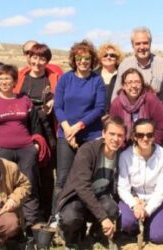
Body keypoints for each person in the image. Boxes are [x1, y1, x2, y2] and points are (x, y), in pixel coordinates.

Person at [0, 64, 46, 247]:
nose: (4, 82)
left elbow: (35, 124)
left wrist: (35, 144)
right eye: (0, 78)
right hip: (2, 151)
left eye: (8, 78)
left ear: (15, 81)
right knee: (4, 190)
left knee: (29, 188)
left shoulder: (24, 100)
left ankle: (31, 228)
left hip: (25, 150)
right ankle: (11, 230)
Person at [56, 117, 126, 248]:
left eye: (120, 135)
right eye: (112, 134)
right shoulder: (88, 151)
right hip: (76, 197)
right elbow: (82, 187)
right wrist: (103, 218)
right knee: (70, 218)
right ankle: (71, 238)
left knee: (112, 208)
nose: (116, 139)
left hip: (99, 197)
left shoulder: (121, 155)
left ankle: (96, 235)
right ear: (103, 134)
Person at [53, 40, 106, 208]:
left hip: (90, 136)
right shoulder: (65, 79)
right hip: (66, 134)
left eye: (87, 58)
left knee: (88, 178)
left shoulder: (97, 81)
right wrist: (68, 129)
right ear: (74, 60)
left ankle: (88, 216)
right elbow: (58, 106)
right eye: (79, 58)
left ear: (92, 60)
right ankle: (57, 215)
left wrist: (78, 127)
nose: (83, 62)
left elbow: (99, 108)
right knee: (63, 178)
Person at [14, 43, 60, 220]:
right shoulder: (20, 77)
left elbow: (61, 96)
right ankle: (27, 215)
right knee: (26, 173)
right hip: (24, 130)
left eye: (42, 58)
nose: (37, 62)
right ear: (29, 58)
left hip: (48, 131)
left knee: (47, 174)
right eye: (34, 57)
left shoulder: (54, 78)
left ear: (47, 61)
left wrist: (54, 102)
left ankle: (46, 213)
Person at [118, 119, 163, 244]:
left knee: (159, 237)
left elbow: (161, 189)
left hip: (158, 201)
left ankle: (150, 223)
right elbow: (123, 187)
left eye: (149, 134)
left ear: (154, 135)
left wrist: (147, 210)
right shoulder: (125, 156)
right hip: (134, 200)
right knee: (127, 224)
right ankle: (138, 225)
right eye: (140, 135)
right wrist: (135, 205)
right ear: (134, 136)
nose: (145, 138)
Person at [110, 68, 163, 146]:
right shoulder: (116, 104)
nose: (134, 86)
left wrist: (152, 146)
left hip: (149, 143)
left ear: (142, 84)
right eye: (129, 82)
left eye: (137, 82)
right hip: (124, 146)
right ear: (123, 86)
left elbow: (162, 125)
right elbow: (114, 128)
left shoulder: (151, 99)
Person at [111, 27, 163, 102]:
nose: (142, 47)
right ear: (132, 45)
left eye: (145, 43)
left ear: (150, 43)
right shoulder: (124, 65)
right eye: (138, 44)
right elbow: (116, 97)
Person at [95, 43, 124, 113]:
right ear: (100, 58)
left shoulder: (123, 75)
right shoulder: (93, 76)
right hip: (96, 117)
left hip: (118, 117)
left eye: (112, 55)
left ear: (117, 58)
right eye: (105, 55)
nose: (108, 57)